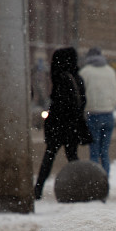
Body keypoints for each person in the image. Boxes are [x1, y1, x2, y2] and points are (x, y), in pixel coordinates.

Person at [34, 47, 88, 200]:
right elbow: (82, 102)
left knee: (49, 157)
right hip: (72, 126)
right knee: (72, 157)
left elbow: (59, 104)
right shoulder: (77, 78)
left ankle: (38, 189)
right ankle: (82, 186)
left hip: (59, 126)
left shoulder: (61, 79)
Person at [79, 47, 116, 177]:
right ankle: (105, 181)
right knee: (104, 152)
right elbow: (115, 93)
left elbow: (81, 94)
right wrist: (110, 105)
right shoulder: (110, 71)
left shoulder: (85, 72)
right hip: (108, 114)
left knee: (94, 152)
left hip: (93, 114)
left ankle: (95, 182)